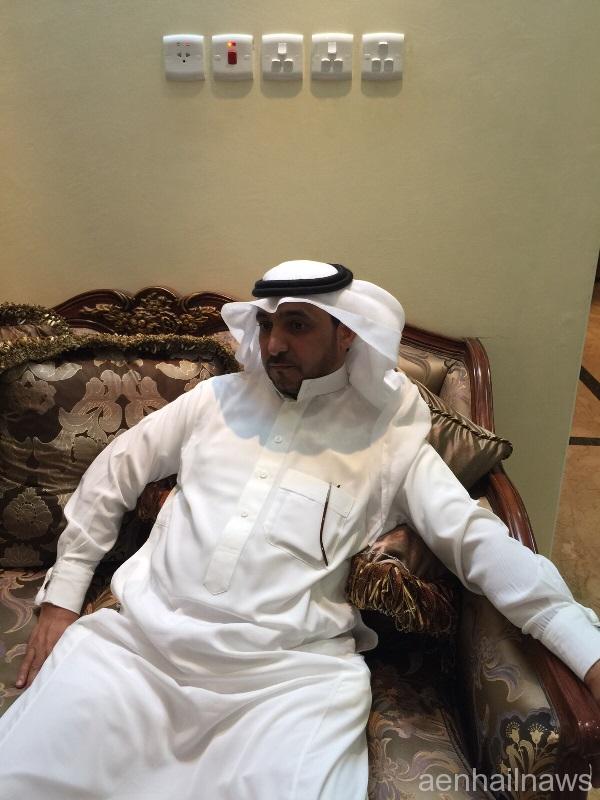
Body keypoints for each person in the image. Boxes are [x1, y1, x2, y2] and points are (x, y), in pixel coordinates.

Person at [0, 260, 599, 799]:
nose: (274, 344)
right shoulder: (213, 402)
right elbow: (115, 470)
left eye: (297, 325)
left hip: (284, 687)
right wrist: (64, 594)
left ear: (347, 333)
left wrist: (587, 651)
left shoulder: (390, 441)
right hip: (136, 653)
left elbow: (478, 542)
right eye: (266, 325)